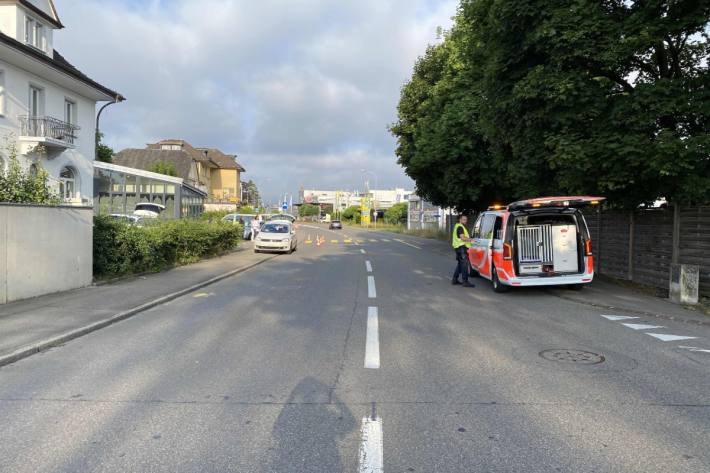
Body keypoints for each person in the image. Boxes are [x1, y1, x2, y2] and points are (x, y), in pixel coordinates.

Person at [452, 214, 475, 287]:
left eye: (466, 219)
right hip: (461, 248)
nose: (465, 221)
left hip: (459, 248)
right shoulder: (460, 227)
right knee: (464, 265)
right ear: (460, 220)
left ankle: (454, 279)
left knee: (460, 264)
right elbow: (462, 238)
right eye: (464, 219)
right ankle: (465, 282)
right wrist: (471, 240)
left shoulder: (458, 226)